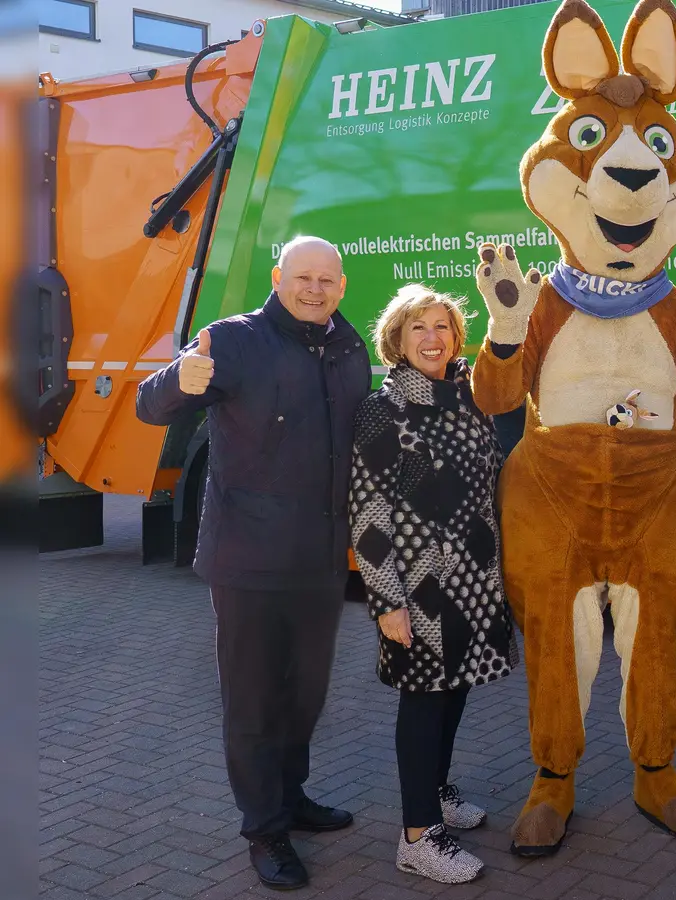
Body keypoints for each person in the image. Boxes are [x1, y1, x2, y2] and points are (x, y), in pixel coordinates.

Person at [134, 235, 370, 889]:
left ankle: (291, 798)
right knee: (255, 702)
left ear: (342, 286)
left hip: (322, 559)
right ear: (279, 277)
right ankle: (264, 830)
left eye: (327, 279)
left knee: (306, 695)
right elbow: (150, 406)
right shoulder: (232, 341)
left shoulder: (350, 348)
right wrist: (171, 384)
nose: (316, 289)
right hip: (249, 561)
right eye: (304, 277)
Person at [349, 284, 518, 885]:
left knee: (456, 689)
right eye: (418, 327)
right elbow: (368, 516)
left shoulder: (468, 398)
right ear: (396, 339)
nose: (431, 338)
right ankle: (417, 835)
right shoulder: (384, 410)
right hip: (420, 586)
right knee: (423, 699)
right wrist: (386, 601)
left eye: (442, 327)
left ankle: (436, 788)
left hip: (474, 580)